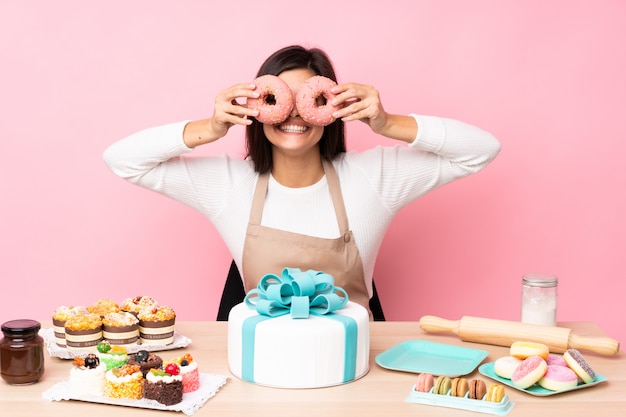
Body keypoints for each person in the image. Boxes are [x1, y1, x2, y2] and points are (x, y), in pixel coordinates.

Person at [103, 45, 501, 320]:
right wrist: (210, 126)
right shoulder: (228, 184)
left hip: (354, 368)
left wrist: (386, 121)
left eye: (309, 101)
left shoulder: (373, 177)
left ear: (332, 108)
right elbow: (122, 160)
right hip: (260, 368)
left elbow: (482, 149)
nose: (295, 113)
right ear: (258, 109)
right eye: (280, 100)